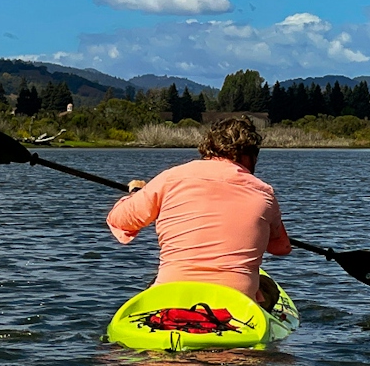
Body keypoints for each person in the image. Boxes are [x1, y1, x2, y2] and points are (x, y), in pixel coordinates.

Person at [106, 116, 291, 310]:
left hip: (171, 295)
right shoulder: (264, 192)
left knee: (155, 281)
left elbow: (119, 220)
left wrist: (138, 194)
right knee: (269, 287)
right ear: (249, 156)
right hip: (236, 305)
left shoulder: (171, 178)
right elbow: (282, 248)